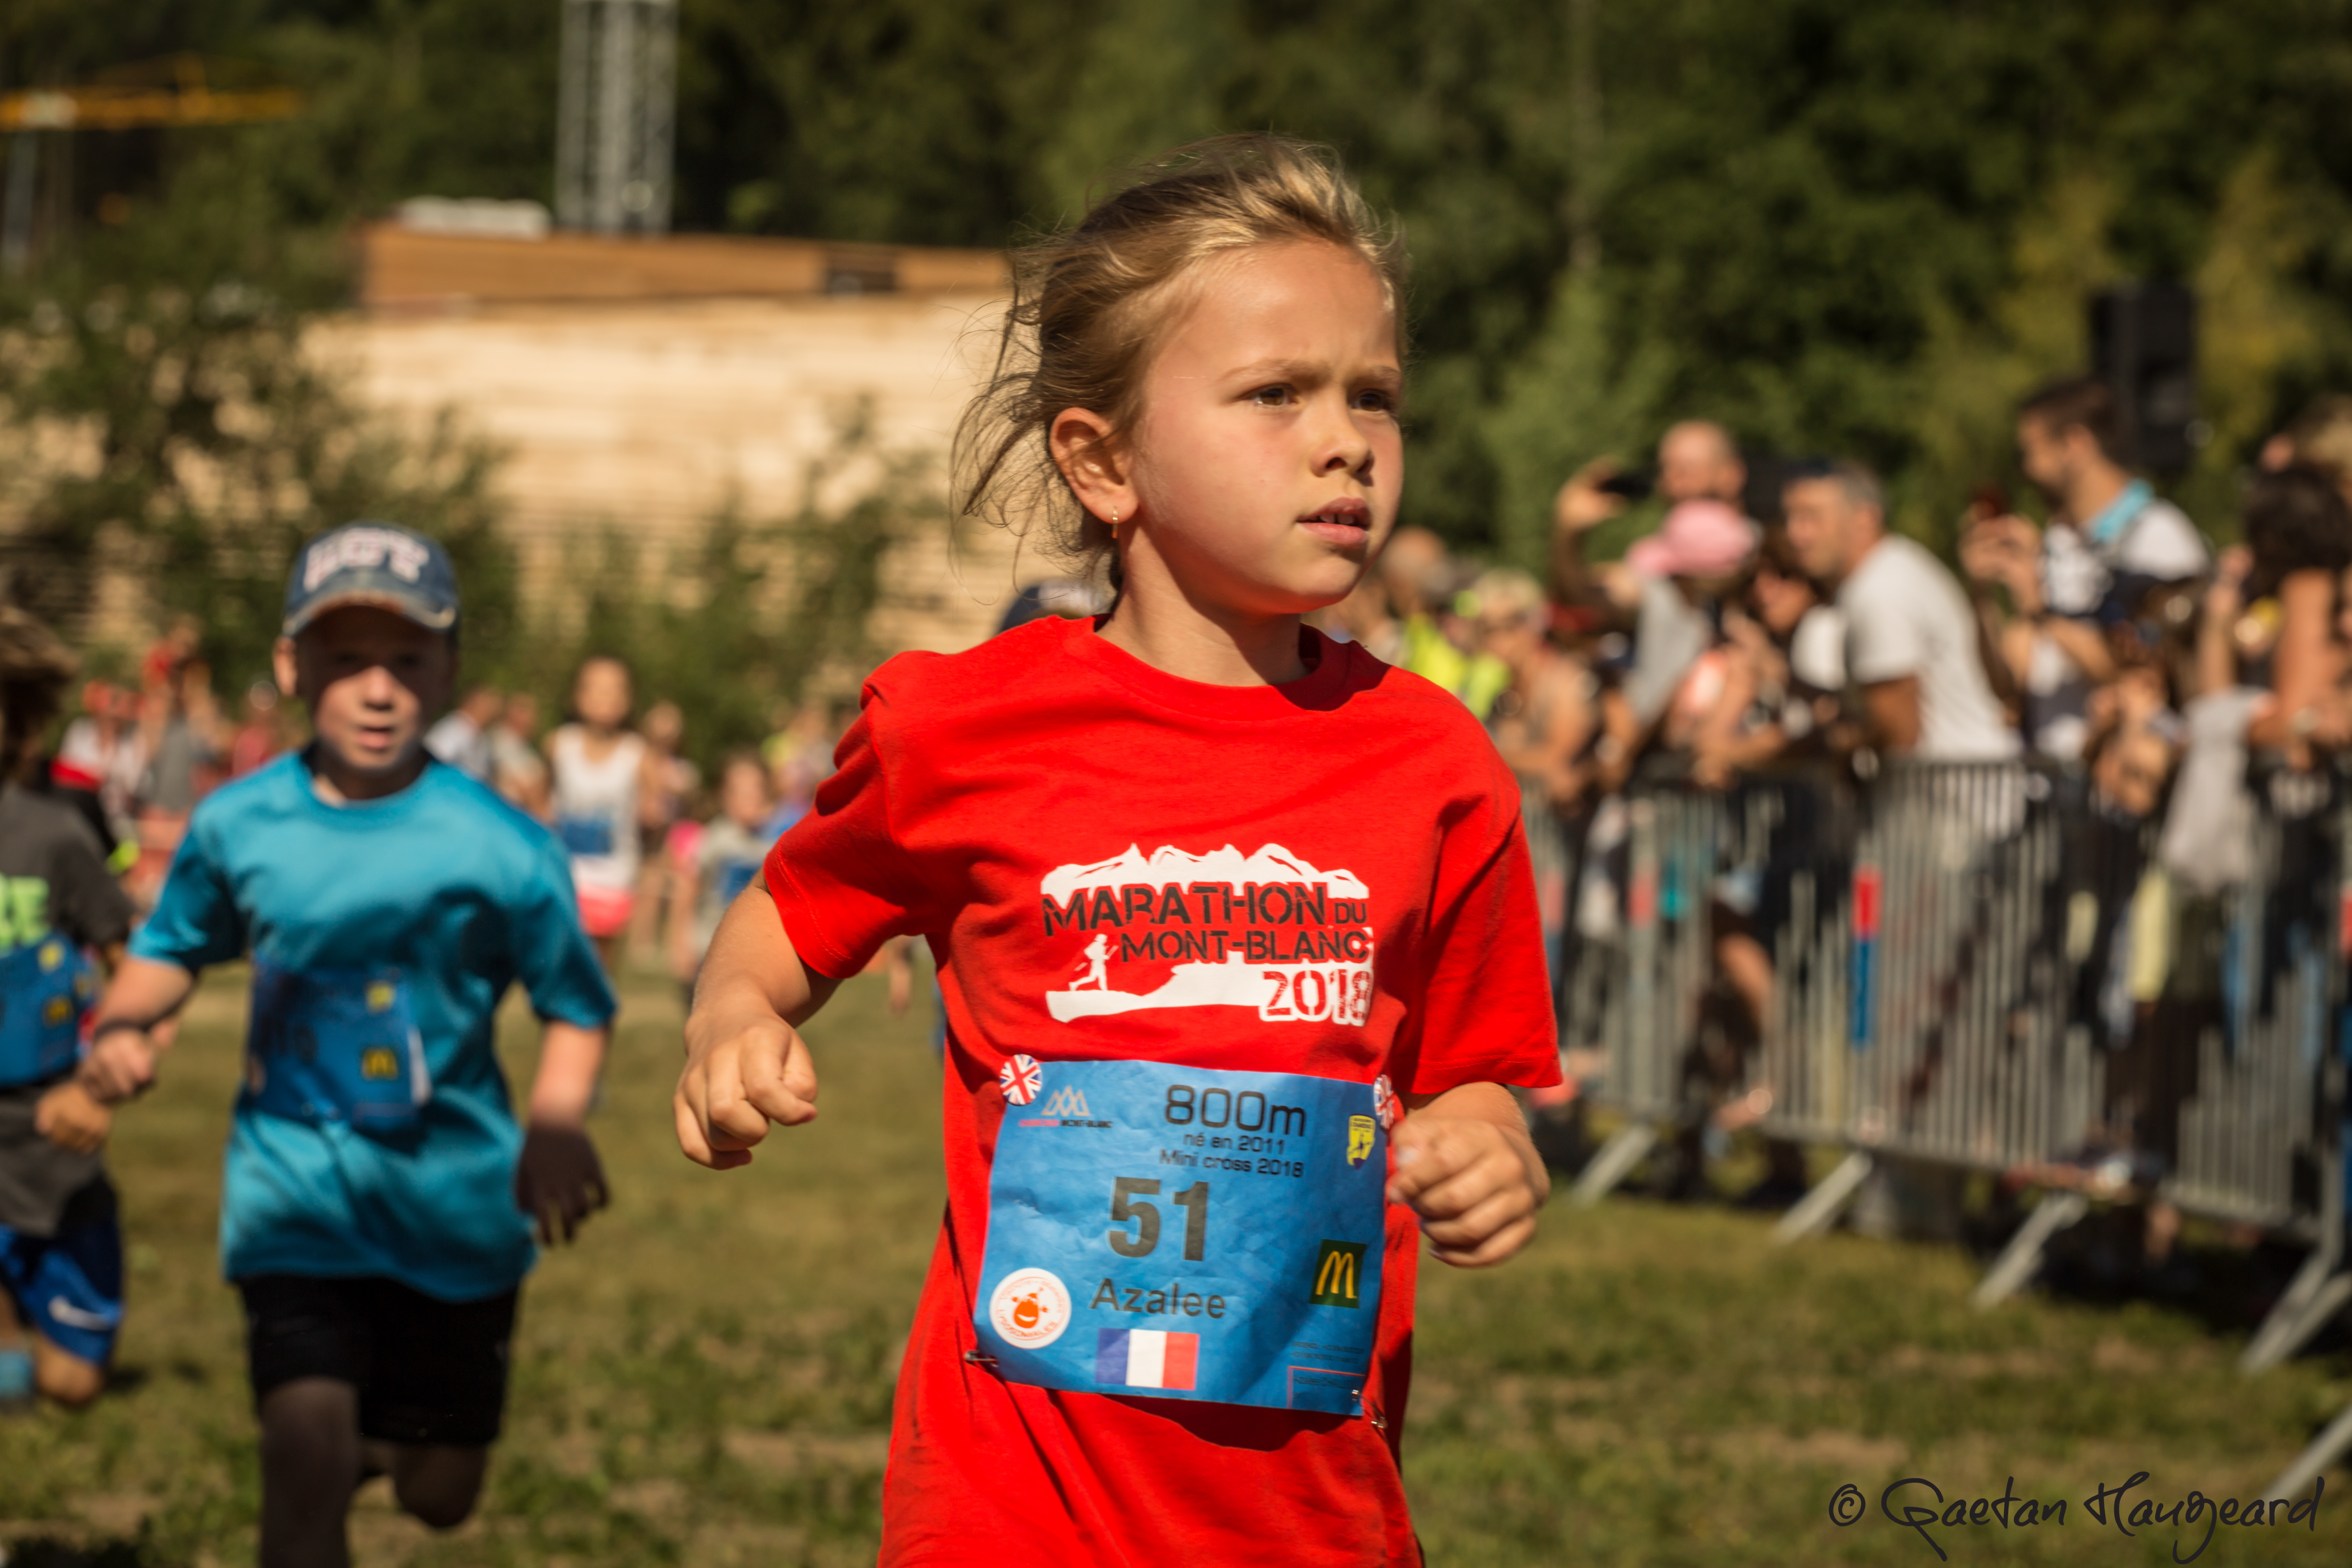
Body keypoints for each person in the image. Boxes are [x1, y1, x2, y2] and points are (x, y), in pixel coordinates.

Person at [675, 135, 1558, 1566]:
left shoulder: (1437, 764)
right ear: (1103, 459)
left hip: (1305, 1509)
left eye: (1374, 397)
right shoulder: (961, 729)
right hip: (1008, 1496)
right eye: (1276, 395)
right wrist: (733, 1018)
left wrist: (1485, 1141)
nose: (1348, 441)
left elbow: (1475, 1066)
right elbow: (784, 916)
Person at [76, 522, 616, 1566]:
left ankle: (387, 1440)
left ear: (449, 670)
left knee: (440, 1491)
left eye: (407, 660)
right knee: (301, 1450)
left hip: (454, 1210)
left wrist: (554, 1124)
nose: (378, 689)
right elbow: (172, 944)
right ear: (291, 667)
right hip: (295, 1195)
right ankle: (330, 1448)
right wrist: (124, 1025)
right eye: (345, 660)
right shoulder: (238, 824)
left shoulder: (501, 847)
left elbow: (576, 1002)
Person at [0, 608, 134, 1409]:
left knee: (72, 1383)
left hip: (51, 1129)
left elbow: (138, 967)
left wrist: (98, 1082)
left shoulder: (52, 835)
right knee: (8, 1382)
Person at [1962, 379, 2209, 758]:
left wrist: (2040, 609)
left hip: (2126, 793)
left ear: (2075, 445)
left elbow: (2152, 675)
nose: (2025, 469)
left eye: (2029, 452)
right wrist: (1982, 595)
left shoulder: (2159, 536)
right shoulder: (2057, 542)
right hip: (2053, 790)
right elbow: (2010, 682)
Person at [1782, 461, 2018, 762]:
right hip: (1961, 791)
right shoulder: (1892, 570)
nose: (1795, 533)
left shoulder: (1879, 589)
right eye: (1791, 517)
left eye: (1811, 517)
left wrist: (1839, 745)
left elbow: (1899, 731)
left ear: (1864, 518)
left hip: (1954, 798)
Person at [548, 657, 657, 972]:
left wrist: (653, 815)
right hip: (565, 873)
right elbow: (542, 801)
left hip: (614, 876)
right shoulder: (558, 745)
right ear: (577, 696)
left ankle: (598, 1020)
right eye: (595, 689)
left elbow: (657, 808)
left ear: (628, 699)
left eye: (614, 690)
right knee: (563, 967)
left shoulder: (638, 753)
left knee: (600, 970)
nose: (604, 698)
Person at [664, 753, 775, 1009]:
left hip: (751, 951)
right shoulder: (713, 840)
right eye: (742, 792)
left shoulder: (770, 844)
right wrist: (680, 943)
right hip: (707, 946)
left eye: (757, 791)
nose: (752, 799)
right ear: (725, 796)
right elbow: (687, 889)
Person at [424, 685, 503, 783]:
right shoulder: (453, 728)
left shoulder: (479, 736)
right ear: (472, 704)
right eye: (488, 706)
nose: (492, 712)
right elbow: (434, 763)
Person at [489, 692, 550, 818]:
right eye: (527, 711)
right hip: (508, 815)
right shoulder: (501, 740)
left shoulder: (522, 746)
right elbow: (525, 787)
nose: (533, 719)